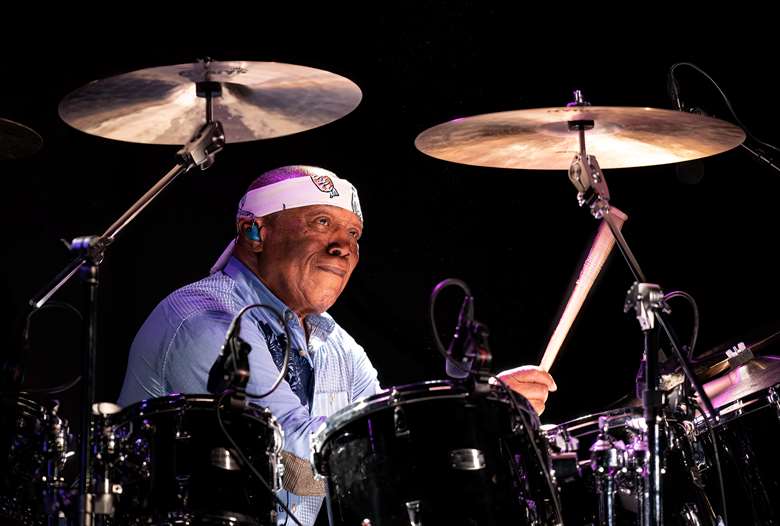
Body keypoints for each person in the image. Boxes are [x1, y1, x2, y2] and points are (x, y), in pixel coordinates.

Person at [118, 165, 557, 525]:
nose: (343, 247)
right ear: (255, 234)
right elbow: (294, 466)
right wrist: (455, 426)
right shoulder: (204, 318)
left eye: (353, 235)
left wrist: (482, 412)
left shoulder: (336, 344)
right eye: (321, 223)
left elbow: (386, 448)